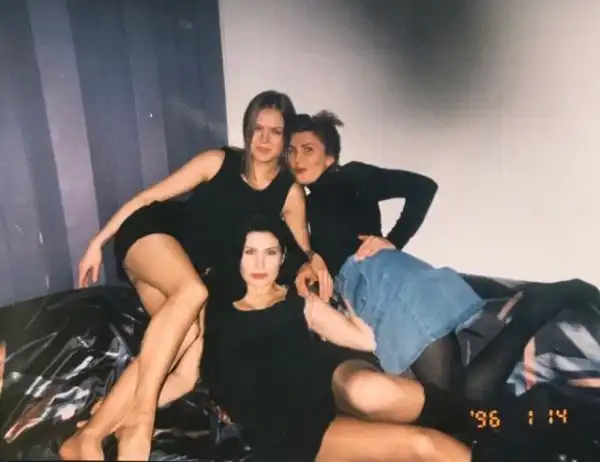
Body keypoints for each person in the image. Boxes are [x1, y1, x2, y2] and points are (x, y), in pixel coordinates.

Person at [59, 91, 331, 461]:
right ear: (247, 131)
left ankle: (89, 435)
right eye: (258, 129)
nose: (265, 139)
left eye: (275, 132)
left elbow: (302, 250)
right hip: (153, 236)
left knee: (186, 364)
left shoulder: (290, 192)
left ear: (285, 139)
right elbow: (147, 198)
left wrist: (315, 261)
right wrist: (98, 242)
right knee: (192, 293)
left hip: (188, 272)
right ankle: (140, 422)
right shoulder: (217, 161)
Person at [289, 111, 600, 398]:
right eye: (291, 151)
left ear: (329, 157)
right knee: (459, 400)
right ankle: (540, 305)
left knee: (457, 400)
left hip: (387, 281)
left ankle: (542, 304)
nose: (297, 158)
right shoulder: (305, 204)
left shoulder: (348, 176)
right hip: (371, 294)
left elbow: (422, 187)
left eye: (308, 149)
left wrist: (392, 240)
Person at [199, 214, 478, 462]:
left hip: (322, 392)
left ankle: (485, 419)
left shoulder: (300, 300)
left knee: (391, 411)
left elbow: (365, 341)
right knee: (422, 443)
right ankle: (475, 421)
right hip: (283, 427)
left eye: (270, 252)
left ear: (282, 257)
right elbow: (196, 370)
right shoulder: (214, 308)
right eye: (250, 252)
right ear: (237, 255)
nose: (260, 263)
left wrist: (352, 306)